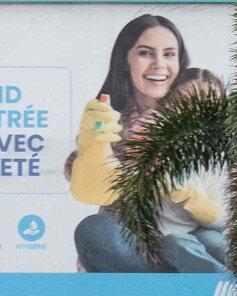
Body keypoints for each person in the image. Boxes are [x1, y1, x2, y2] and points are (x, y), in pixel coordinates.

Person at [69, 14, 189, 272]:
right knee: (95, 230)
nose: (159, 65)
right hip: (129, 250)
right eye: (146, 53)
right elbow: (82, 178)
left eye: (169, 54)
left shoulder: (198, 116)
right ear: (125, 60)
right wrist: (90, 144)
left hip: (190, 244)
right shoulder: (109, 118)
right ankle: (153, 287)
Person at [149, 68, 231, 273]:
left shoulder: (215, 156)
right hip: (159, 241)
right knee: (178, 243)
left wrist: (192, 200)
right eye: (186, 103)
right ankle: (225, 287)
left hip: (199, 232)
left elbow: (224, 218)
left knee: (217, 243)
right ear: (168, 105)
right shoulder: (147, 143)